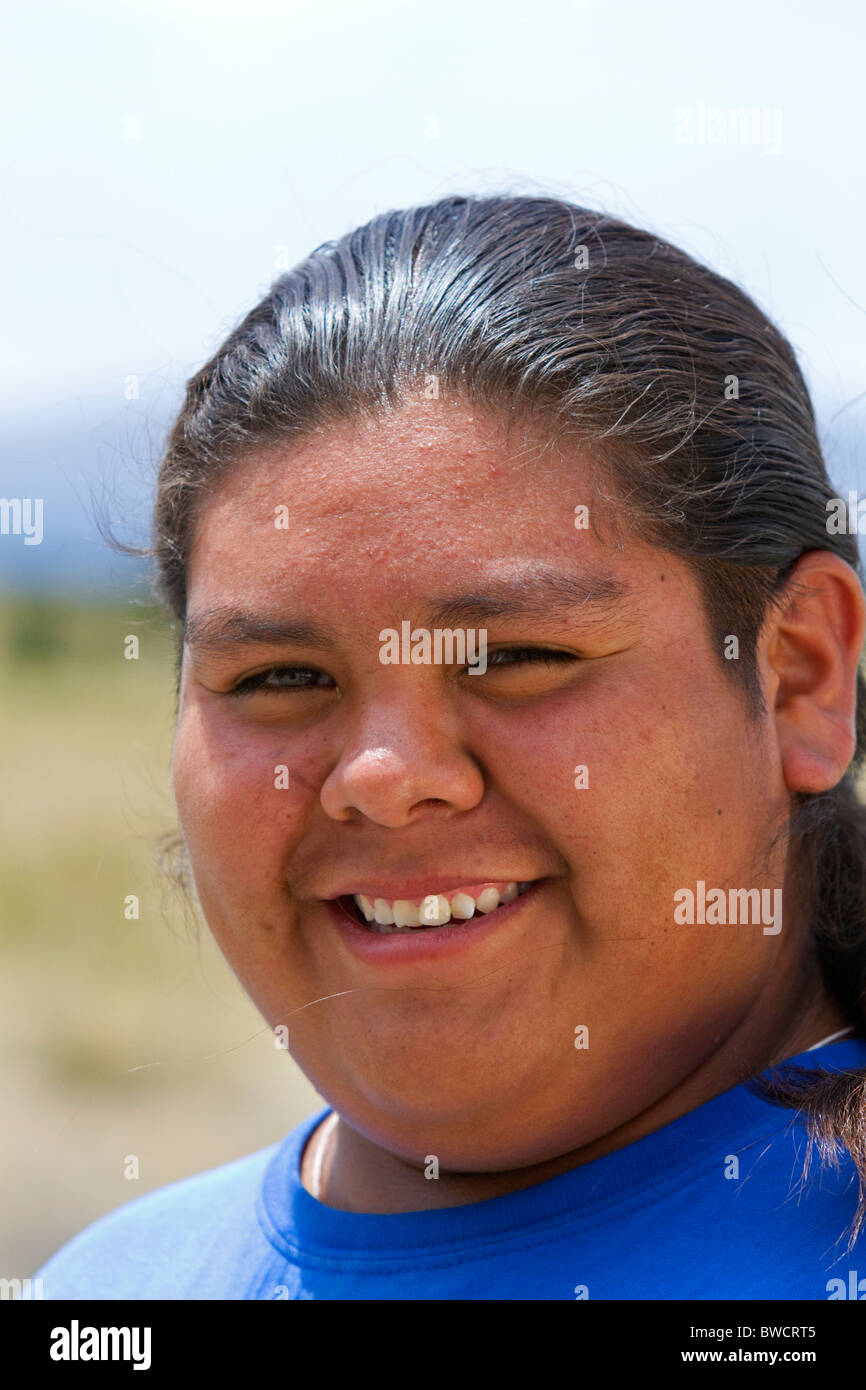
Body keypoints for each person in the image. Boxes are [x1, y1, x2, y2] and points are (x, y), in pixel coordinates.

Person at [34, 194, 866, 1299]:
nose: (382, 778)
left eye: (516, 655)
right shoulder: (111, 1288)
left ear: (798, 674)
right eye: (280, 678)